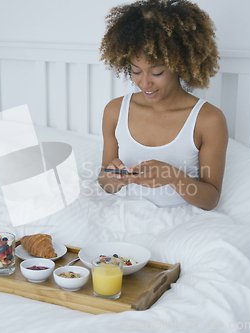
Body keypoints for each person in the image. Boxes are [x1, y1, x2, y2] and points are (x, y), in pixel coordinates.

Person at [97, 0, 228, 210]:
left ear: (181, 65)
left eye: (157, 72)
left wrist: (174, 178)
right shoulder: (115, 111)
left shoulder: (208, 119)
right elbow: (105, 182)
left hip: (183, 225)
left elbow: (211, 199)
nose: (145, 83)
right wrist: (111, 180)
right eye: (136, 71)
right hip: (126, 218)